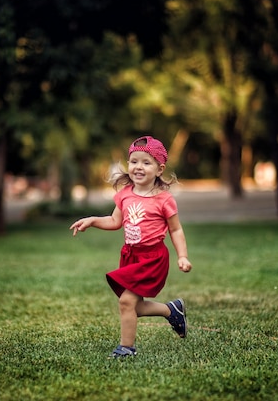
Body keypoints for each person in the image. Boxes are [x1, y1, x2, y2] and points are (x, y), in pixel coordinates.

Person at [70, 135, 193, 358]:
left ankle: (126, 348)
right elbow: (115, 221)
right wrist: (93, 220)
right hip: (131, 255)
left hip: (152, 258)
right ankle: (171, 310)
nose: (138, 167)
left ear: (159, 169)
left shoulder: (164, 199)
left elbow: (175, 230)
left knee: (126, 302)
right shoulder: (124, 194)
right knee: (133, 307)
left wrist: (182, 256)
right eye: (134, 161)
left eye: (146, 162)